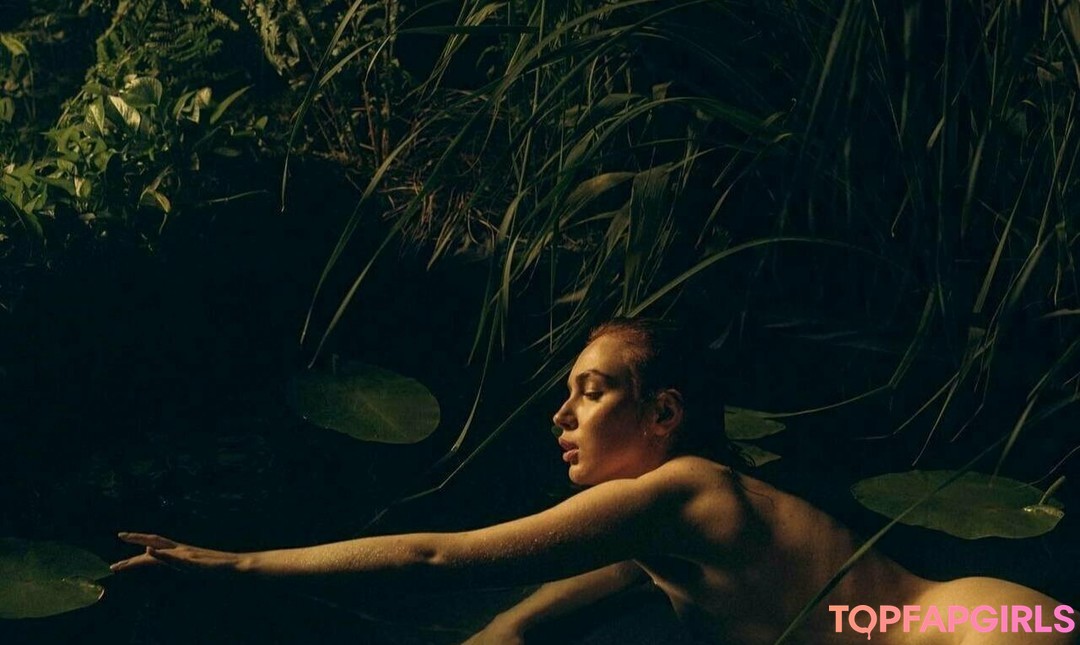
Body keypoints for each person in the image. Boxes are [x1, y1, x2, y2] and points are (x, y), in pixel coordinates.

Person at [112, 318, 1074, 644]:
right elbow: (567, 595)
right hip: (1002, 616)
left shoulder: (680, 488)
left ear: (663, 413)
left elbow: (437, 554)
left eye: (592, 389)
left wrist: (238, 566)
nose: (562, 415)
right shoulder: (674, 530)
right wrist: (508, 629)